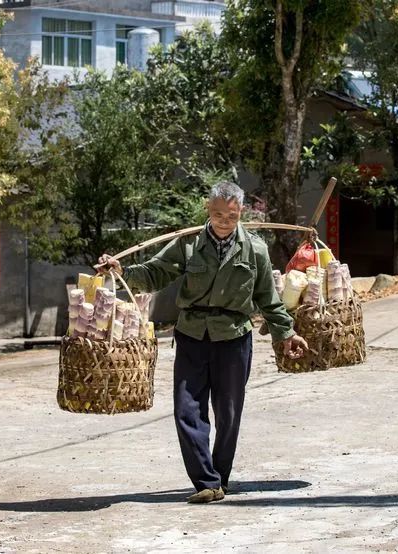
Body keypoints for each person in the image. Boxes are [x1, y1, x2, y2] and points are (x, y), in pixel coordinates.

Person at [98, 182, 308, 504]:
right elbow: (156, 273)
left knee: (228, 413)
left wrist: (286, 332)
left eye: (232, 215)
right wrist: (122, 270)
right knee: (187, 409)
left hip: (234, 336)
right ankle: (206, 481)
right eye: (218, 214)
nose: (224, 220)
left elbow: (269, 298)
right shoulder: (188, 244)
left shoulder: (255, 250)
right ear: (208, 211)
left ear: (241, 214)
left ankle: (219, 477)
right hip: (192, 335)